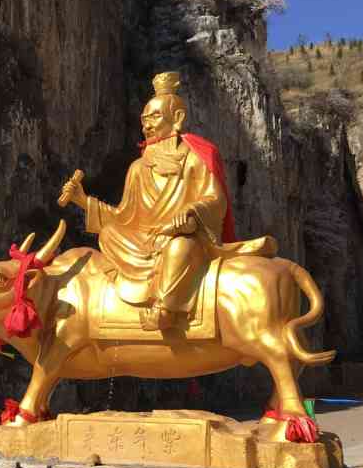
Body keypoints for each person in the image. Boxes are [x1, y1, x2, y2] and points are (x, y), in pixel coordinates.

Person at [60, 71, 240, 331]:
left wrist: (191, 211)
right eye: (144, 119)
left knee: (179, 248)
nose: (147, 125)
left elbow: (216, 199)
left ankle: (166, 309)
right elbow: (124, 216)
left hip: (181, 235)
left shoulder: (195, 157)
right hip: (143, 240)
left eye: (155, 116)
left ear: (177, 118)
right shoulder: (137, 168)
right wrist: (82, 200)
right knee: (110, 233)